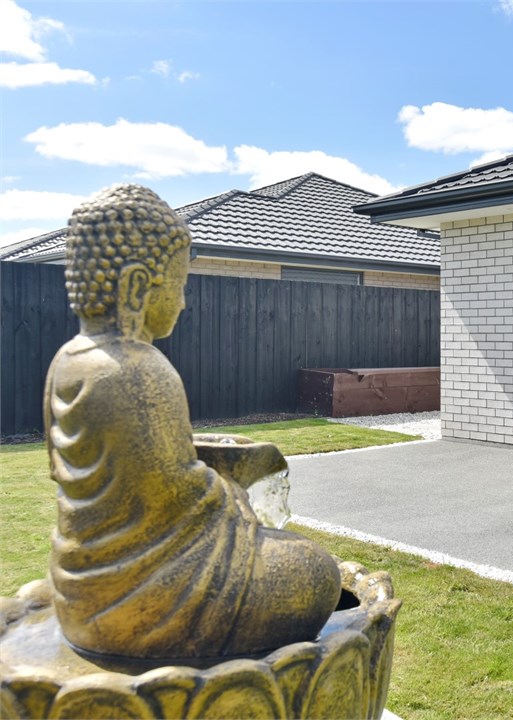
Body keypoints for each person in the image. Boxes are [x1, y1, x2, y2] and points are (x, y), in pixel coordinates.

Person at [45, 184, 341, 659]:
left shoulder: (68, 360)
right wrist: (232, 488)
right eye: (178, 286)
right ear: (139, 285)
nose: (183, 304)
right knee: (315, 571)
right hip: (143, 591)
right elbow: (176, 489)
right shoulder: (139, 369)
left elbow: (99, 472)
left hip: (76, 586)